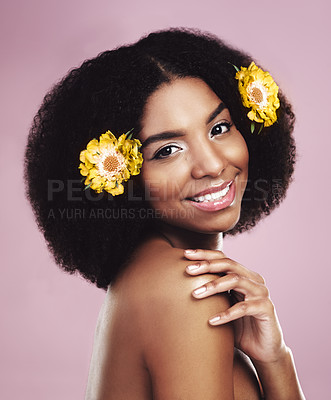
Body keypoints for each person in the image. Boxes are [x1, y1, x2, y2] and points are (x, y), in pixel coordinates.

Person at [24, 28, 305, 399]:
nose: (211, 164)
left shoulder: (147, 275)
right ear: (121, 178)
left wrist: (275, 359)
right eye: (167, 150)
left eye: (219, 128)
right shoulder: (187, 288)